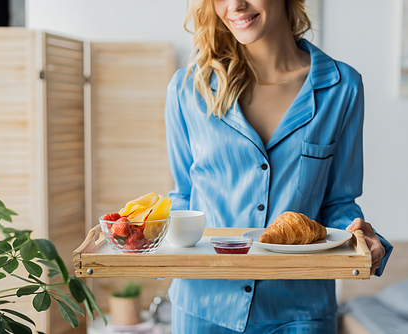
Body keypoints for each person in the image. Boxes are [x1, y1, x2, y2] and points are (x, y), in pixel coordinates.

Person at [164, 0, 393, 333]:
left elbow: (338, 205)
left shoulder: (342, 87)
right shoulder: (188, 89)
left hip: (300, 314)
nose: (236, 5)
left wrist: (364, 242)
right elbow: (183, 198)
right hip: (202, 310)